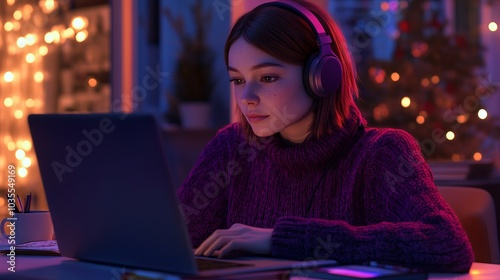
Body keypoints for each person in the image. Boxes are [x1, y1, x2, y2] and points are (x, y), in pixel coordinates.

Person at [177, 0, 473, 273]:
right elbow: (166, 240)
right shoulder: (232, 147)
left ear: (321, 76)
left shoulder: (381, 153)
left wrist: (282, 239)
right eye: (238, 80)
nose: (246, 98)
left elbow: (447, 244)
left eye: (267, 77)